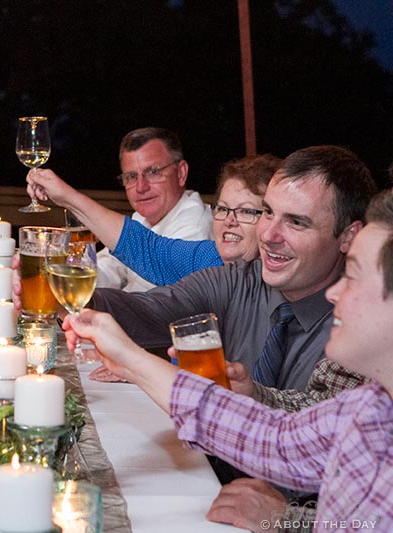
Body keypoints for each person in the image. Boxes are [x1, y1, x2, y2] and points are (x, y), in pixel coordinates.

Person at [63, 186, 393, 532]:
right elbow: (274, 440)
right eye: (264, 212)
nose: (335, 292)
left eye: (353, 277)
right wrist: (129, 358)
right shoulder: (370, 407)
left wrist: (282, 520)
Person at [88, 145, 376, 392]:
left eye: (296, 222)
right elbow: (146, 310)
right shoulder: (239, 280)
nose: (268, 236)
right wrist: (67, 295)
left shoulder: (362, 329)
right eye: (267, 213)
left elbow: (316, 432)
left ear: (348, 236)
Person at [29, 153, 281, 286]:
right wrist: (65, 197)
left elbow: (161, 308)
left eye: (247, 211)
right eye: (223, 209)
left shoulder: (276, 280)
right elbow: (146, 249)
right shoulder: (211, 257)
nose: (230, 221)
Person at [29, 127, 213, 292]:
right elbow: (108, 268)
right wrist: (61, 269)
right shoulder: (144, 218)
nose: (141, 187)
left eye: (153, 172)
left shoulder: (194, 227)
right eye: (131, 176)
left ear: (181, 173)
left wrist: (67, 197)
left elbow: (153, 301)